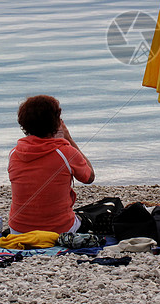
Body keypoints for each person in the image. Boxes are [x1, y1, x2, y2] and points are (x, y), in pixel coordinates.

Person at [8, 95, 95, 234]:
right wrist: (68, 139)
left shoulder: (14, 153)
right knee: (107, 208)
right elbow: (89, 177)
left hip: (18, 229)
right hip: (59, 229)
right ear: (56, 123)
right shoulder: (65, 152)